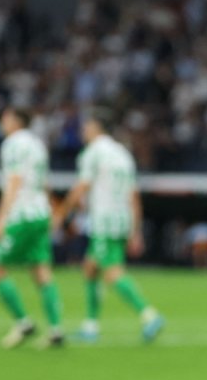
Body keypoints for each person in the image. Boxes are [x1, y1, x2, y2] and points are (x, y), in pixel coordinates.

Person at [53, 108, 164, 343]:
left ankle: (149, 314)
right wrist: (135, 229)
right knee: (91, 267)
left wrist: (62, 213)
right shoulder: (123, 153)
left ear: (96, 127)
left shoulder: (93, 152)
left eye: (86, 126)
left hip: (104, 219)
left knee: (112, 271)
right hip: (121, 218)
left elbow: (82, 186)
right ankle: (91, 326)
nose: (83, 131)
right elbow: (133, 195)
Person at [0, 107, 65, 348]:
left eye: (4, 117)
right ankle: (55, 329)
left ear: (14, 121)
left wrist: (0, 218)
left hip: (21, 215)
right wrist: (56, 209)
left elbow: (15, 181)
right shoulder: (37, 144)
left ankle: (23, 322)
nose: (2, 121)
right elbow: (44, 181)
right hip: (41, 213)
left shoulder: (13, 144)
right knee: (41, 270)